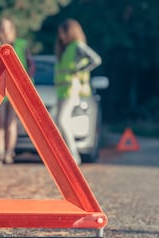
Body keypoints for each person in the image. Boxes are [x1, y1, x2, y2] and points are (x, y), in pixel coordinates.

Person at [0, 17, 35, 166]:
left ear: (12, 29)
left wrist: (26, 83)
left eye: (7, 28)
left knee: (11, 121)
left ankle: (9, 153)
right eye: (2, 28)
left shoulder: (21, 44)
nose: (5, 31)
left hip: (17, 88)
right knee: (0, 121)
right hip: (0, 89)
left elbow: (31, 65)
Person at [54, 19, 101, 165]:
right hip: (61, 91)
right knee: (59, 122)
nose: (61, 36)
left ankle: (74, 155)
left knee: (62, 120)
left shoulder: (77, 46)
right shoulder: (65, 49)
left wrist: (79, 69)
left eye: (63, 33)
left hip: (71, 90)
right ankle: (65, 155)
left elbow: (96, 59)